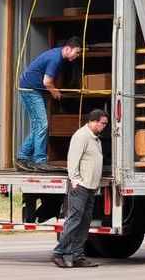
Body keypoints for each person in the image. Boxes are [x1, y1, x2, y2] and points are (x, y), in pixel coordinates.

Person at [52, 109, 108, 268]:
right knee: (74, 221)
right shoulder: (81, 136)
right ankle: (59, 252)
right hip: (81, 187)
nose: (104, 127)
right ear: (94, 121)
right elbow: (73, 160)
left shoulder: (95, 138)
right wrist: (75, 180)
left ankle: (77, 255)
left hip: (91, 187)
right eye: (103, 123)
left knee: (85, 222)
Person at [16, 37, 82, 171]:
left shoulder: (57, 55)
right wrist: (54, 92)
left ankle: (22, 157)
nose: (77, 56)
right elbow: (47, 82)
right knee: (42, 124)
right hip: (30, 90)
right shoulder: (56, 59)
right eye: (77, 52)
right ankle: (40, 161)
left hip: (31, 89)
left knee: (38, 126)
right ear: (68, 49)